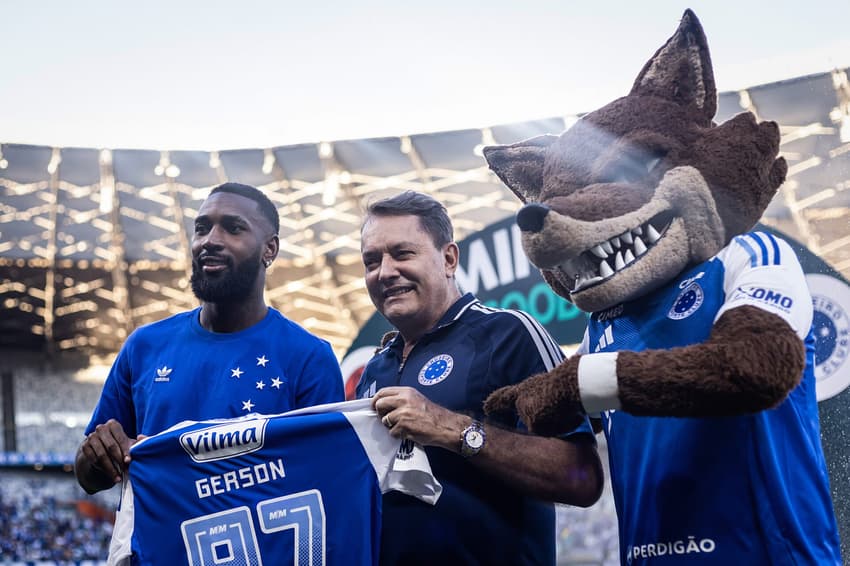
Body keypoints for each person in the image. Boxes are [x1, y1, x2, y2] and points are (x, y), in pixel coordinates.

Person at [356, 191, 603, 565]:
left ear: (449, 258)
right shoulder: (376, 368)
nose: (385, 272)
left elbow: (581, 477)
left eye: (402, 253)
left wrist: (454, 429)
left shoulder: (509, 334)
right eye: (372, 261)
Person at [76, 182, 344, 495]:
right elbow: (87, 477)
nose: (211, 240)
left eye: (233, 228)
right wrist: (99, 452)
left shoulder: (309, 357)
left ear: (269, 249)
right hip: (158, 545)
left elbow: (327, 481)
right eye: (202, 228)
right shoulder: (144, 346)